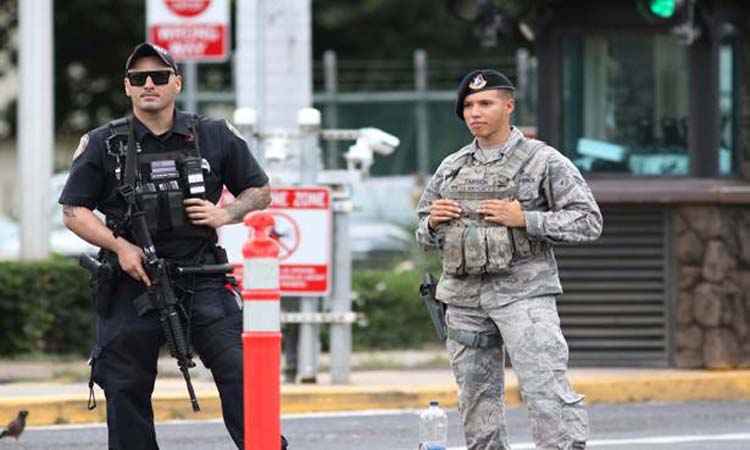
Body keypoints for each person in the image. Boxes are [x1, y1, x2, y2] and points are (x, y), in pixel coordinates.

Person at [59, 42, 285, 449]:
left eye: (160, 76)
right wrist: (120, 247)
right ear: (126, 87)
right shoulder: (102, 143)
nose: (149, 84)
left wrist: (226, 214)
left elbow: (260, 190)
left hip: (203, 276)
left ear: (176, 83)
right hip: (133, 280)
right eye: (138, 78)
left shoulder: (213, 134)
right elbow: (74, 210)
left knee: (241, 371)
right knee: (124, 382)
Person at [415, 69, 602, 450]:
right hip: (464, 300)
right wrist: (433, 222)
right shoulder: (452, 166)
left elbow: (588, 221)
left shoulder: (542, 161)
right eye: (468, 105)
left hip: (524, 296)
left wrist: (526, 220)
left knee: (546, 392)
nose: (475, 112)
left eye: (486, 103)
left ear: (509, 106)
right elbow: (423, 230)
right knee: (476, 403)